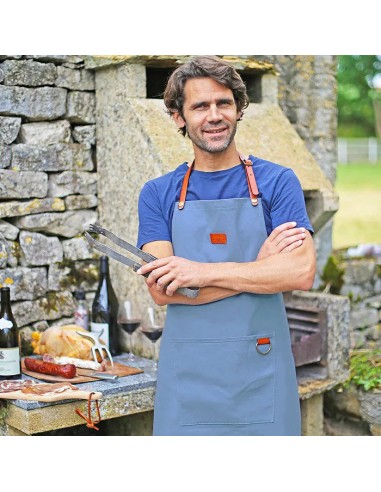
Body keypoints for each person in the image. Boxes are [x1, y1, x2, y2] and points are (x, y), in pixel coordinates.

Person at [136, 55, 316, 436]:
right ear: (178, 117)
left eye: (224, 103)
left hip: (261, 374)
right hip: (189, 381)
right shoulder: (157, 194)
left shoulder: (278, 182)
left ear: (238, 110)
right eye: (200, 106)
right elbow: (163, 290)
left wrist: (200, 272)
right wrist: (261, 268)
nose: (214, 115)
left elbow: (299, 272)